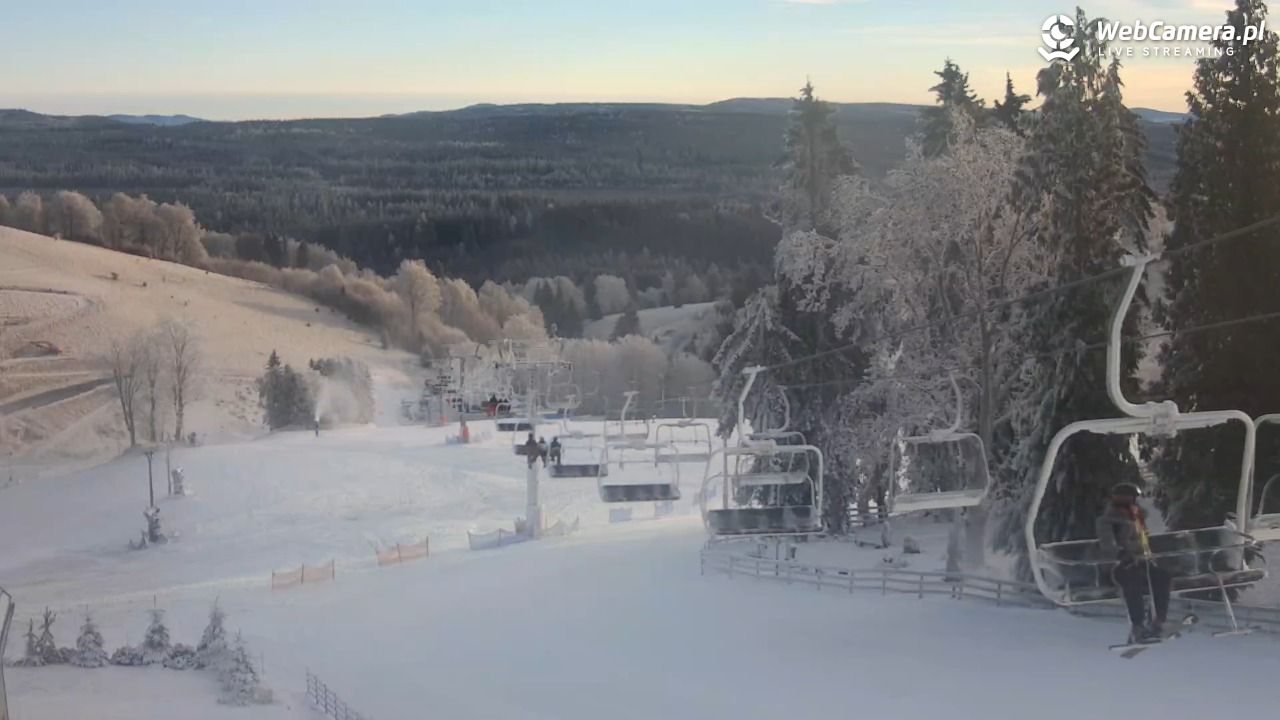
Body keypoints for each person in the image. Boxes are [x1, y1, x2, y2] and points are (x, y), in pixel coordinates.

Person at [1097, 482, 1171, 643]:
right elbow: (1107, 543)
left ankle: (1158, 620)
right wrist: (1121, 553)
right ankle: (1137, 626)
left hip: (1140, 563)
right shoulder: (1108, 521)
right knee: (1133, 579)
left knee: (1161, 576)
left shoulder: (1139, 519)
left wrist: (1152, 553)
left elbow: (1145, 542)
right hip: (1117, 567)